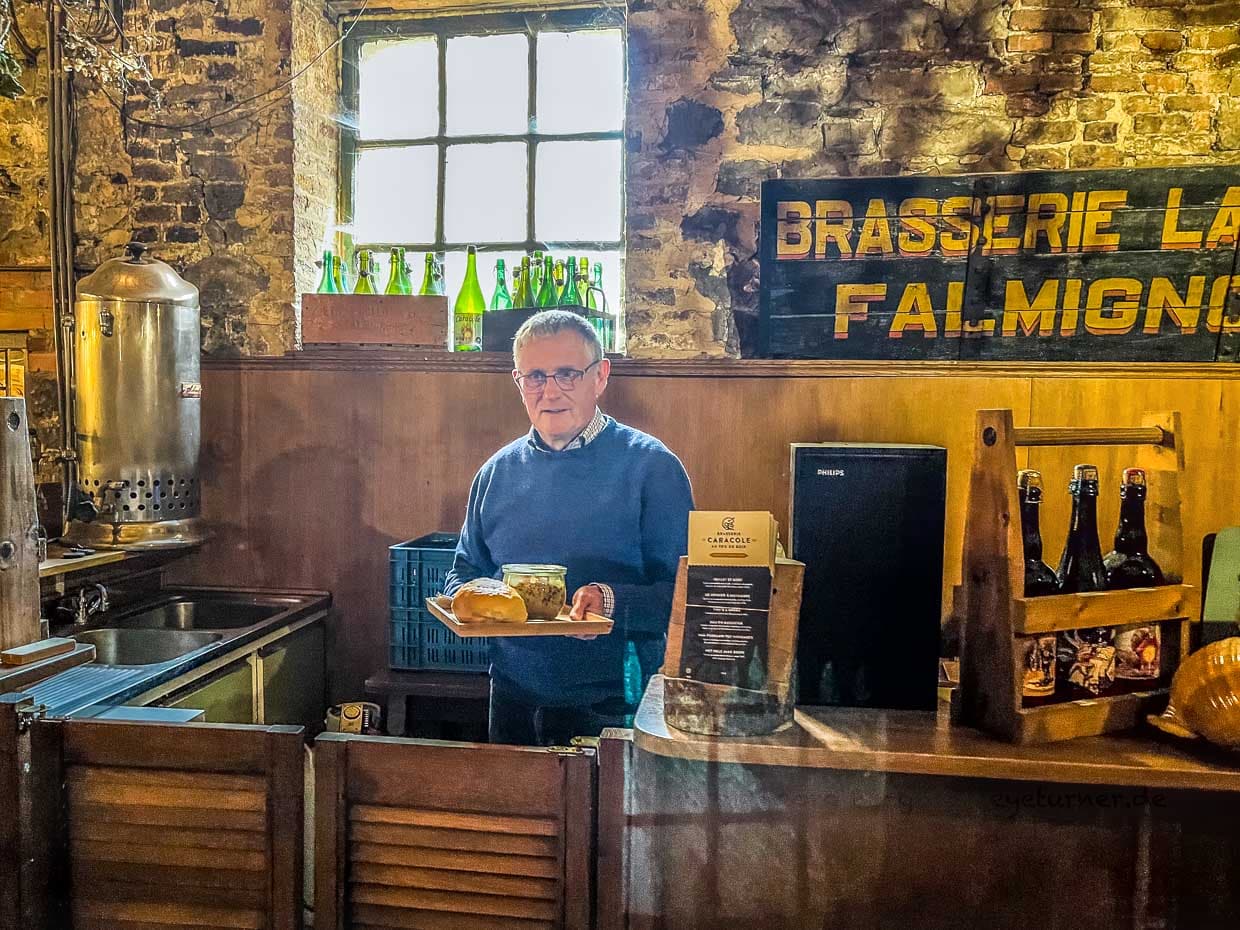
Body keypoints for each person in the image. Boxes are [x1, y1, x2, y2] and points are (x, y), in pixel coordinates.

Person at [444, 310, 694, 745]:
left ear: (600, 377)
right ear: (518, 382)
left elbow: (687, 596)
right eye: (536, 376)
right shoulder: (495, 473)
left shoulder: (652, 468)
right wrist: (464, 602)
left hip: (618, 709)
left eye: (567, 374)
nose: (551, 390)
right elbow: (462, 575)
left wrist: (610, 601)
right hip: (512, 701)